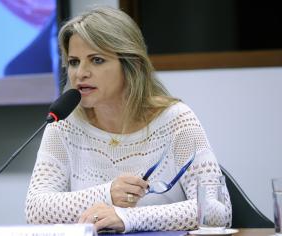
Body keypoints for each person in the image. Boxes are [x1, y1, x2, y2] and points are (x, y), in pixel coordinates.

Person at [25, 6, 232, 233]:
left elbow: (217, 210)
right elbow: (36, 209)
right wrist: (107, 194)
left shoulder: (177, 120)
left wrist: (128, 217)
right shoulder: (63, 124)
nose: (80, 73)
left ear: (130, 64)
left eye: (96, 60)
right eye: (74, 61)